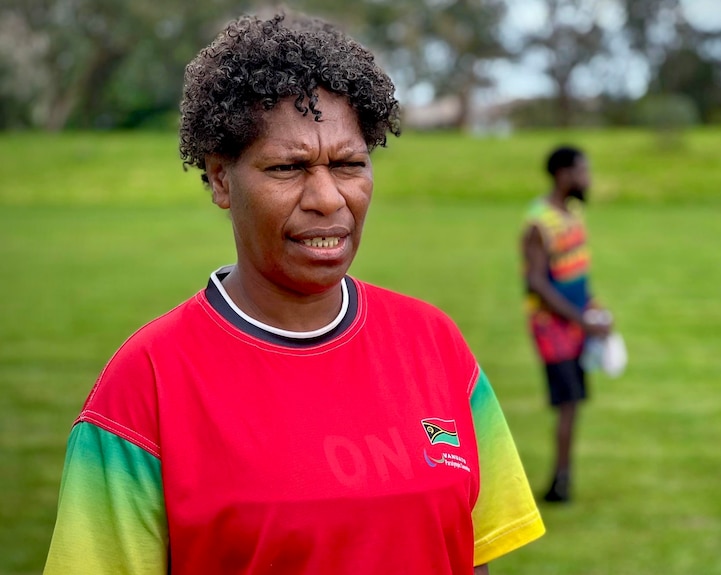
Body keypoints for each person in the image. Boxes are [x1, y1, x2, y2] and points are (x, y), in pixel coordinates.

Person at [43, 12, 544, 574]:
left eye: (349, 163)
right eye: (288, 167)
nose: (328, 198)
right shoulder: (145, 385)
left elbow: (464, 556)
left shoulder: (435, 345)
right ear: (219, 178)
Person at [521, 146, 611, 503]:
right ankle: (561, 482)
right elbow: (537, 284)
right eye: (581, 172)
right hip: (552, 327)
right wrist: (583, 321)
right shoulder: (538, 223)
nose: (587, 179)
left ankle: (562, 479)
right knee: (568, 401)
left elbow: (576, 273)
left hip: (577, 323)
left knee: (574, 402)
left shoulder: (573, 213)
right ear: (562, 174)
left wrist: (595, 309)